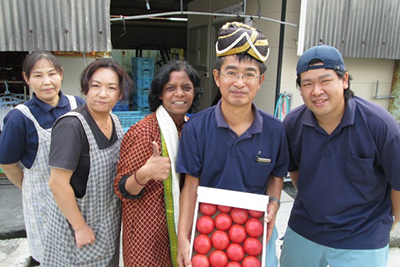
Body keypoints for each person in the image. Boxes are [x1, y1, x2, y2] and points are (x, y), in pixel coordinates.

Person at [176, 22, 289, 267]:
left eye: (249, 74)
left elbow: (276, 176)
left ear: (260, 81)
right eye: (231, 73)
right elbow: (190, 186)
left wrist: (275, 204)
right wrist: (183, 238)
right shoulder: (196, 128)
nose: (240, 82)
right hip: (208, 230)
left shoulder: (275, 130)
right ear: (217, 77)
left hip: (254, 233)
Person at [280, 44, 400, 267]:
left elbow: (398, 183)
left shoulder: (380, 125)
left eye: (325, 81)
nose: (316, 91)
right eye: (307, 84)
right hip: (305, 229)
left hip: (362, 236)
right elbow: (294, 170)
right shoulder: (293, 124)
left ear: (344, 80)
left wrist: (392, 220)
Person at [41, 58, 132, 266]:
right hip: (76, 229)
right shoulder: (72, 126)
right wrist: (79, 226)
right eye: (95, 86)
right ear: (86, 89)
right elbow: (57, 183)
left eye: (111, 88)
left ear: (119, 94)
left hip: (105, 225)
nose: (102, 94)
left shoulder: (114, 121)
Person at [114, 60, 203, 267]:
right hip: (147, 237)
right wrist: (144, 174)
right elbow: (121, 188)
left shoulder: (192, 128)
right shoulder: (144, 132)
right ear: (160, 94)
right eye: (171, 88)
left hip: (181, 228)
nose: (179, 94)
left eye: (186, 88)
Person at [0, 52, 85, 265]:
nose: (47, 82)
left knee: (82, 254)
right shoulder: (20, 118)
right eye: (38, 76)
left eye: (52, 74)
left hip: (81, 201)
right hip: (44, 206)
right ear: (26, 78)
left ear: (61, 74)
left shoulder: (78, 105)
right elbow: (8, 165)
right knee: (51, 258)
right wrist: (32, 187)